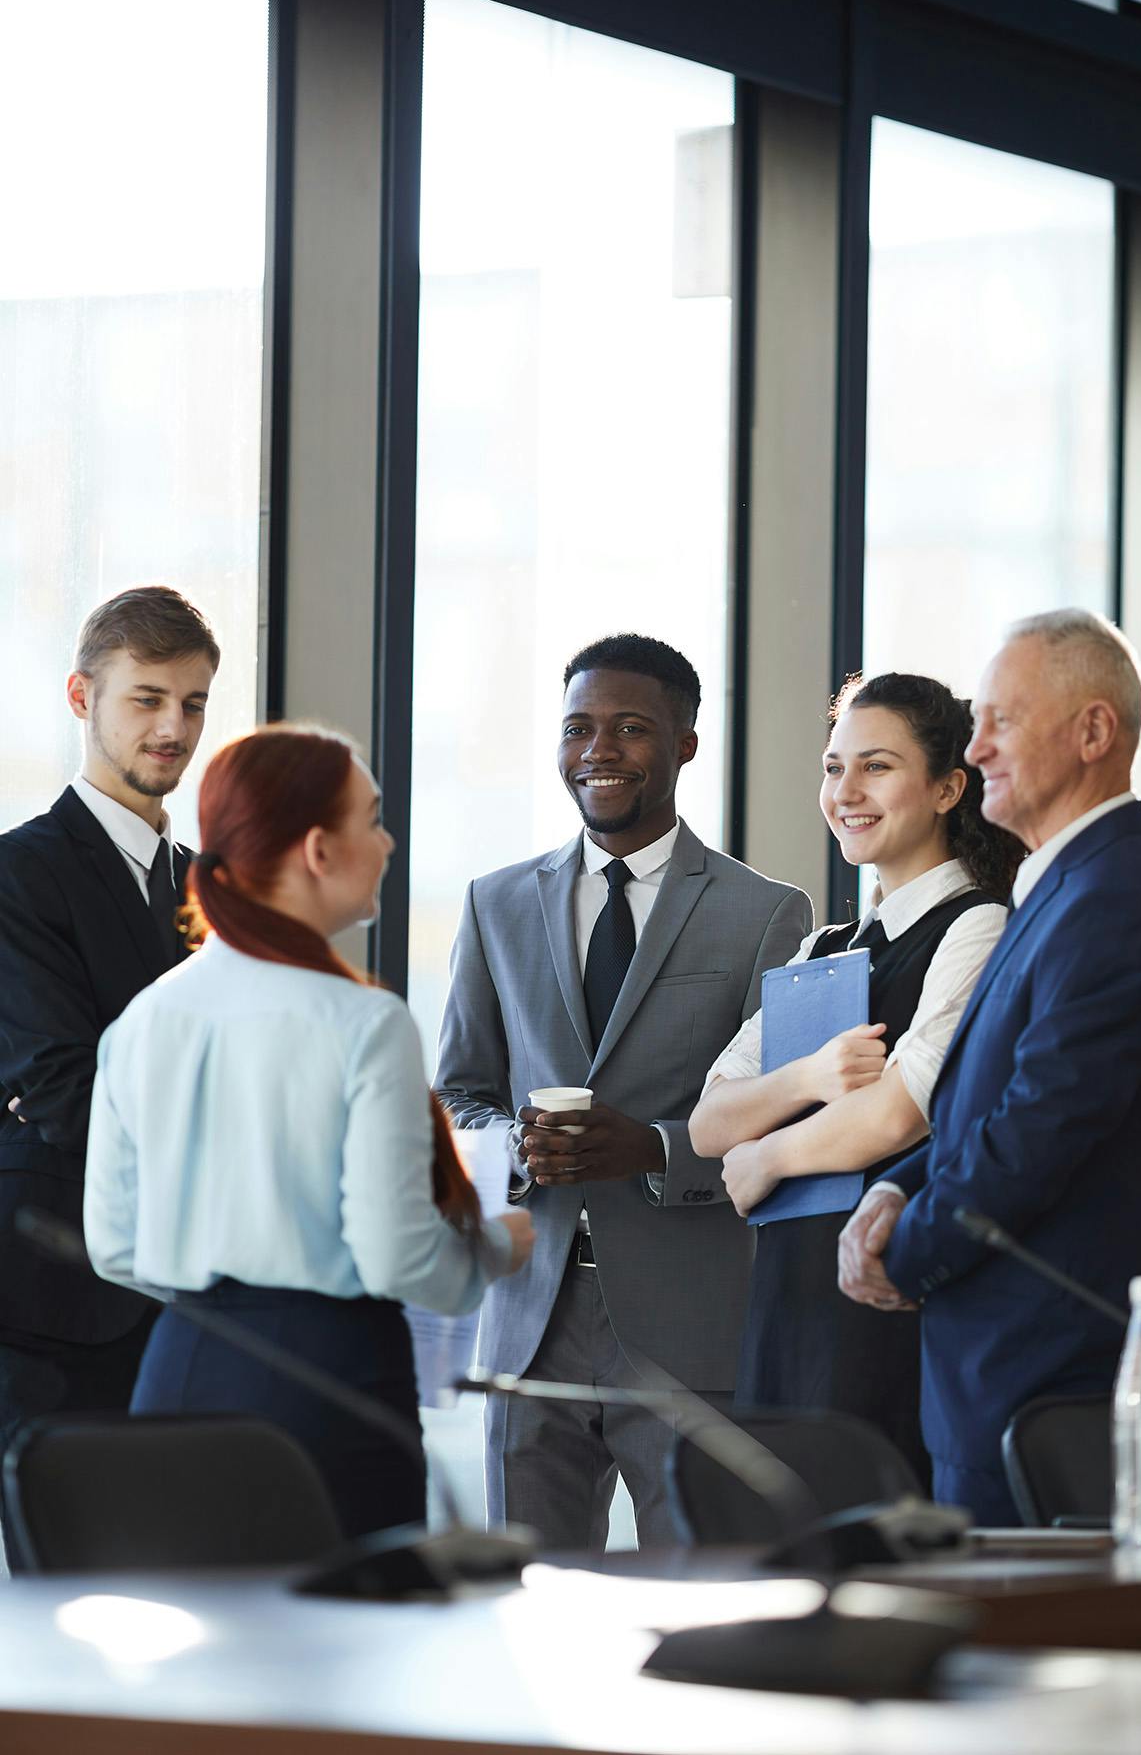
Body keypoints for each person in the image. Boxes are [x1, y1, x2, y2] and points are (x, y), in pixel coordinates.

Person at [84, 724, 533, 1539]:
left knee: (202, 1654)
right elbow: (397, 1254)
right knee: (337, 1655)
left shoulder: (143, 1019)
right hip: (325, 1387)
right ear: (319, 850)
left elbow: (114, 1246)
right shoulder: (363, 1022)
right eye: (373, 818)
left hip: (176, 1374)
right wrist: (495, 1248)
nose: (389, 843)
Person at [838, 610, 1141, 1525]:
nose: (977, 748)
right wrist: (896, 1186)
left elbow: (1037, 1134)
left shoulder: (1115, 899)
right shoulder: (1061, 886)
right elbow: (990, 1098)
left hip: (1056, 1389)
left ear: (1093, 732)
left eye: (1002, 721)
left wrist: (909, 1250)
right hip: (1009, 1380)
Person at [438, 633, 812, 1549]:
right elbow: (456, 1092)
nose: (598, 750)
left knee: (706, 1595)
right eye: (577, 728)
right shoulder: (495, 902)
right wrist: (513, 1151)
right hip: (533, 1324)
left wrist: (652, 1147)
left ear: (685, 742)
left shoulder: (765, 912)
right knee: (529, 1605)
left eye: (631, 728)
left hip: (693, 1328)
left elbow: (788, 1115)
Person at [689, 673, 1023, 1484]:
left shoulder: (977, 926)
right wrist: (811, 1074)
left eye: (876, 767)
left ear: (949, 787)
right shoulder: (827, 947)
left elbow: (899, 1115)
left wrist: (766, 1158)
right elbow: (706, 1122)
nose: (846, 792)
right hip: (787, 1298)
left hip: (882, 1294)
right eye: (834, 768)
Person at [0, 586, 219, 1502]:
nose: (173, 726)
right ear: (82, 698)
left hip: (204, 1306)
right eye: (147, 698)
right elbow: (61, 1089)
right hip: (61, 1307)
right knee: (71, 1595)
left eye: (194, 702)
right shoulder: (20, 872)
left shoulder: (215, 889)